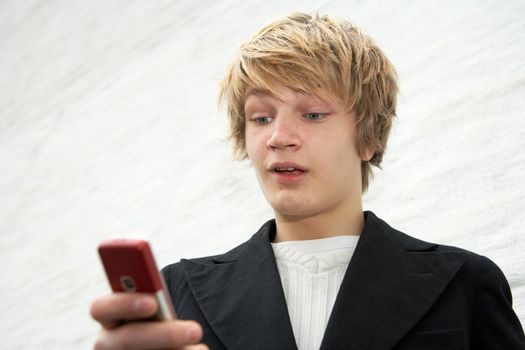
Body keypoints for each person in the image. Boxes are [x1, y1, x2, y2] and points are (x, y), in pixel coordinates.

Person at [90, 13, 525, 350]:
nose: (278, 137)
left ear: (369, 137)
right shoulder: (179, 294)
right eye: (260, 118)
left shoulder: (464, 284)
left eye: (313, 114)